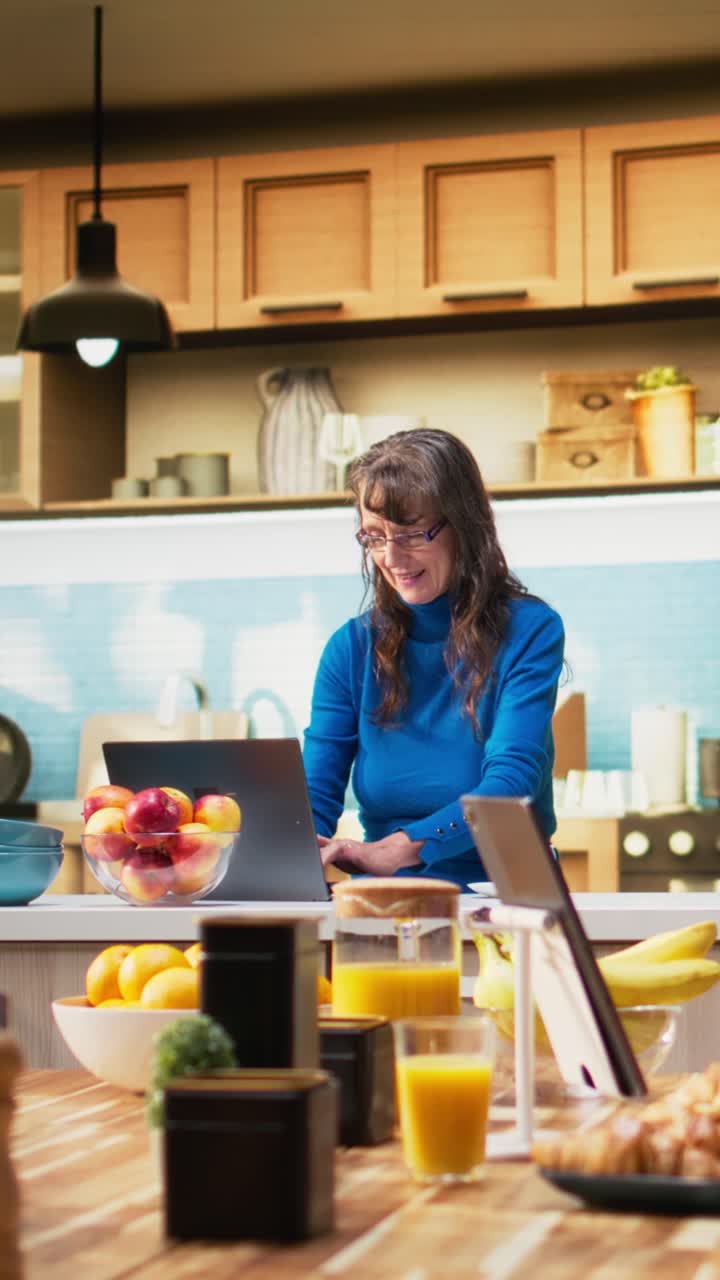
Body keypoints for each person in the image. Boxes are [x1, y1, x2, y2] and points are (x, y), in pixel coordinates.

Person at [302, 427, 565, 891]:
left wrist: (402, 846)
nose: (392, 556)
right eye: (375, 536)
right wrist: (298, 848)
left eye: (411, 534)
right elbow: (313, 798)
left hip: (509, 896)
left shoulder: (529, 630)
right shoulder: (351, 648)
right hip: (393, 898)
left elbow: (510, 782)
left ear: (462, 524)